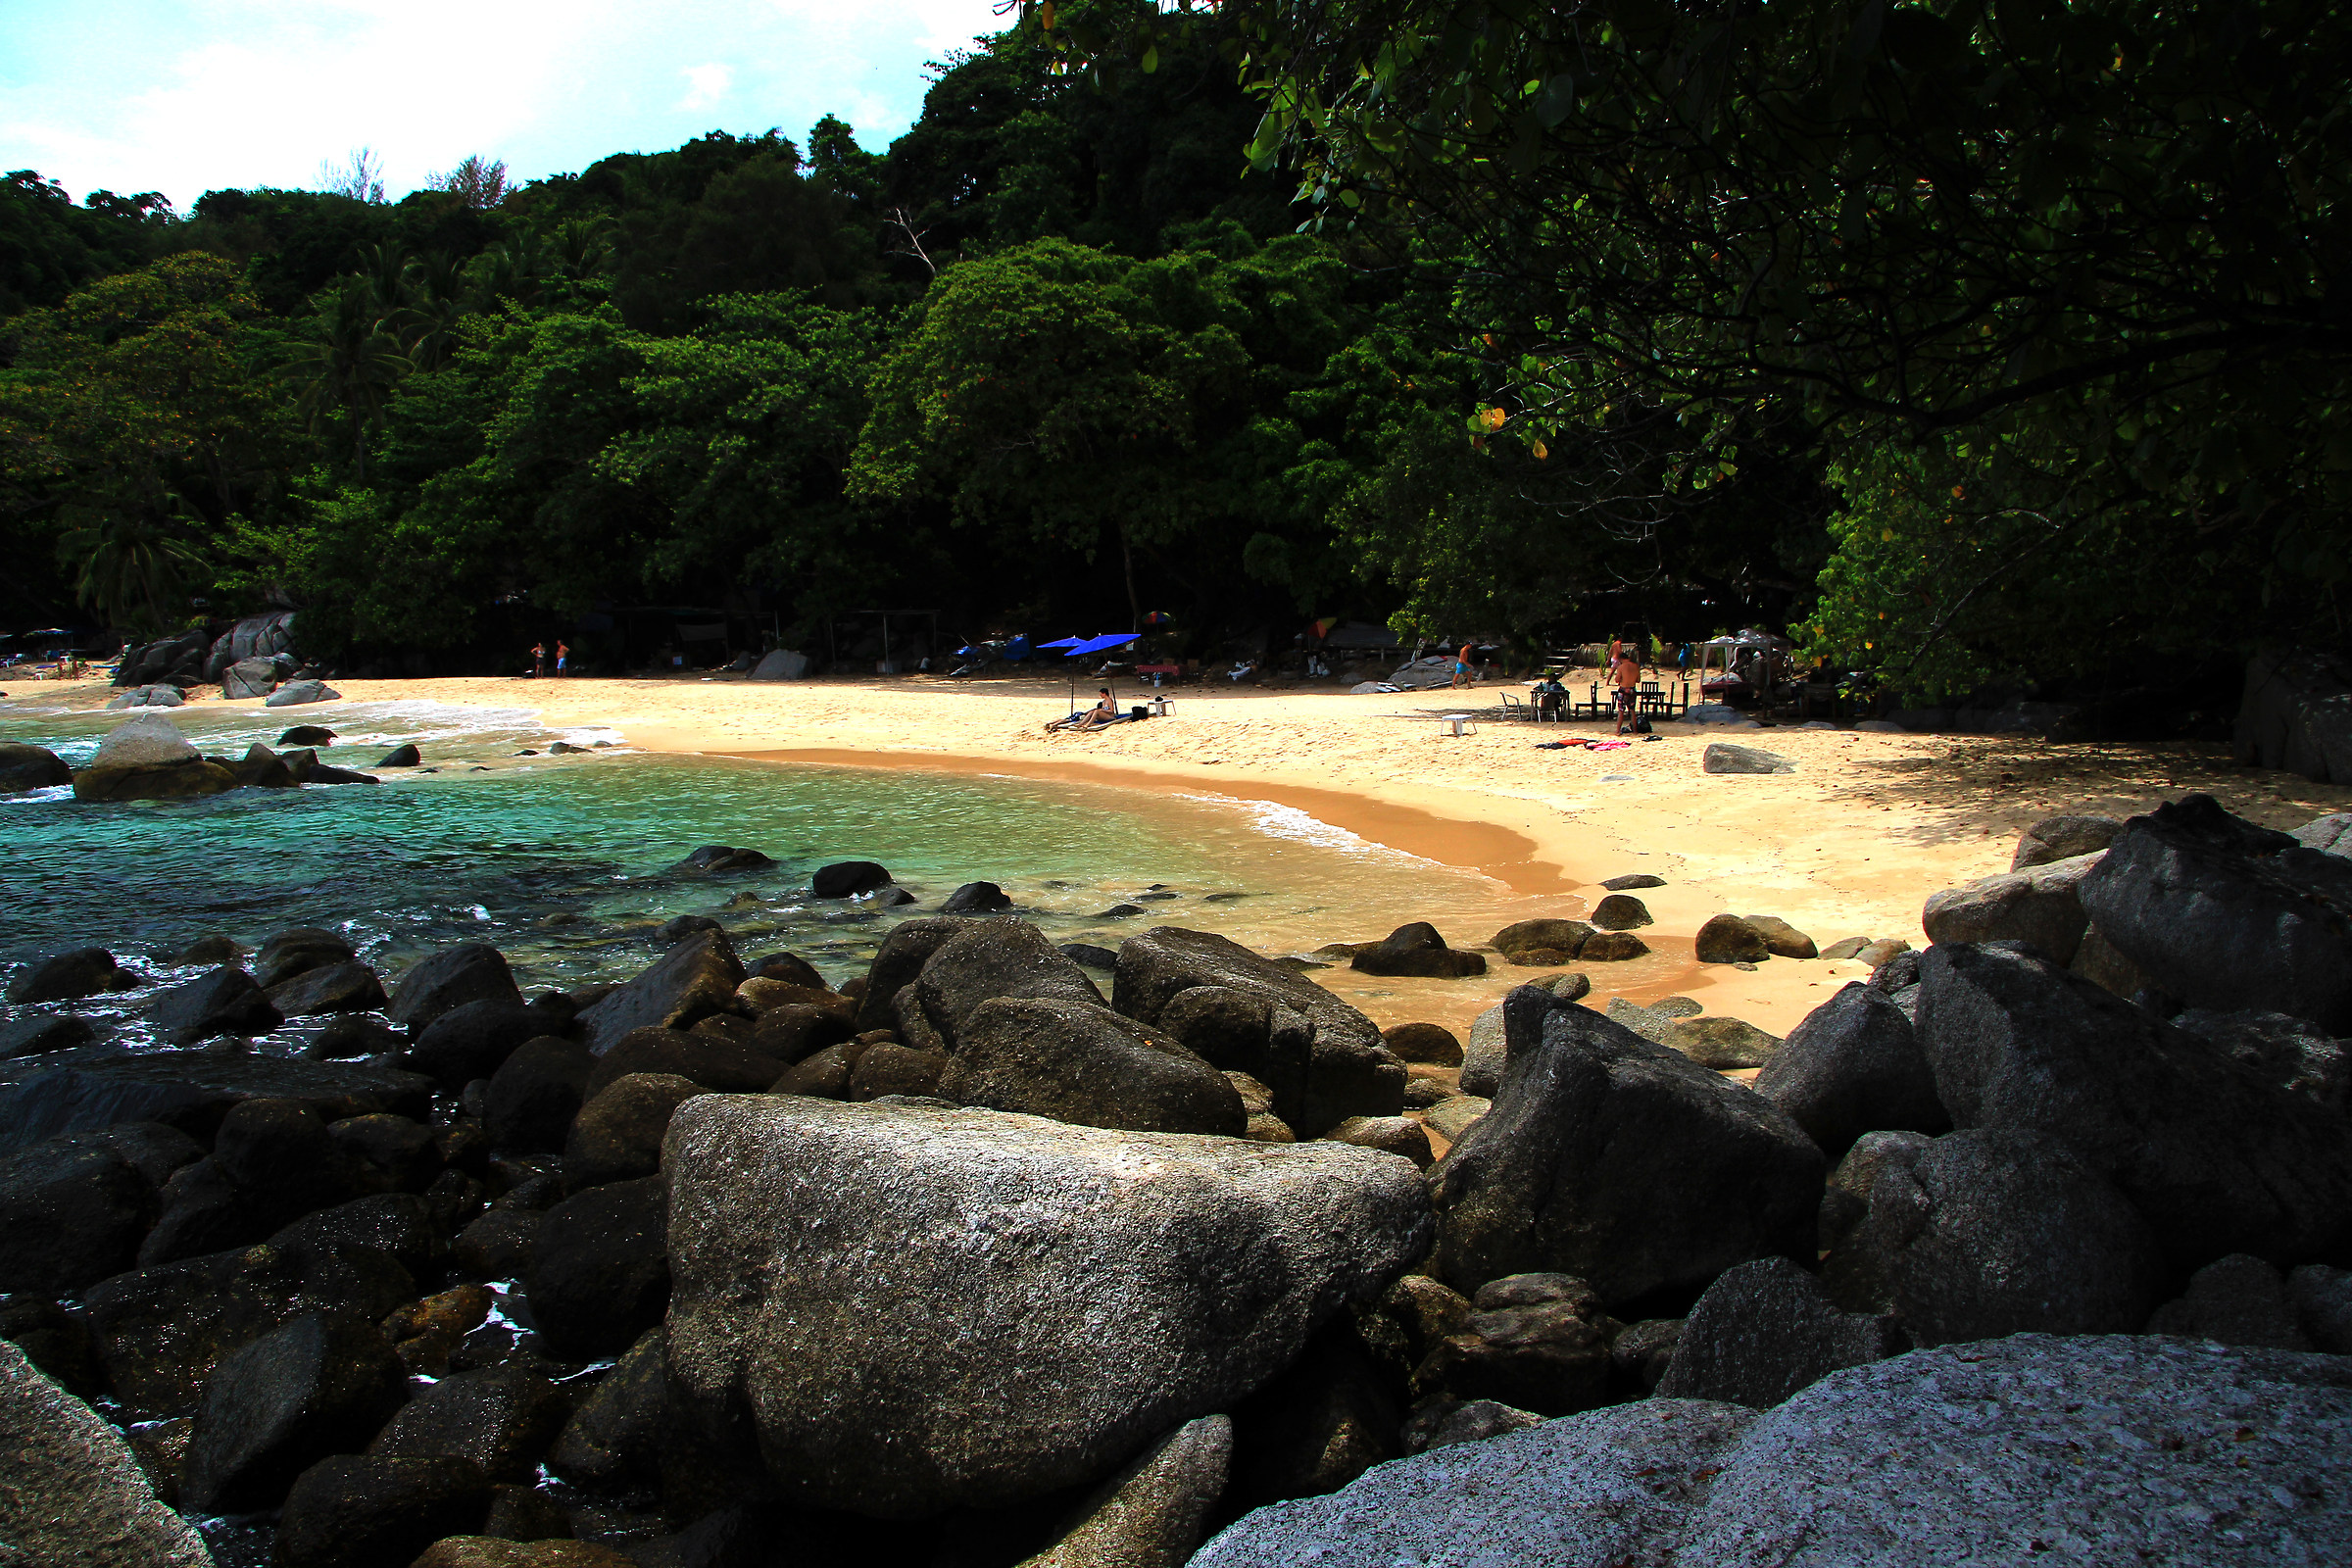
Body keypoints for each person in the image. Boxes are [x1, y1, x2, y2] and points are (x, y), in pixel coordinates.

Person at [1047, 688, 1122, 732]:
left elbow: (1111, 711)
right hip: (1104, 715)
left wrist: (1102, 711)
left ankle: (1087, 724)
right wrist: (1100, 710)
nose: (1100, 695)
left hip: (1110, 716)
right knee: (1093, 711)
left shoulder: (1109, 700)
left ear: (1104, 693)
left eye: (1101, 694)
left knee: (1096, 711)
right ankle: (1081, 724)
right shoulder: (1103, 702)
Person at [1612, 647, 1642, 734]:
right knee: (1632, 711)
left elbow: (1617, 679)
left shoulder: (1621, 667)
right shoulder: (1636, 666)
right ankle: (1635, 731)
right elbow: (1638, 680)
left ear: (1621, 659)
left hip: (1623, 689)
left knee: (1621, 710)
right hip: (1632, 689)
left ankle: (1618, 731)